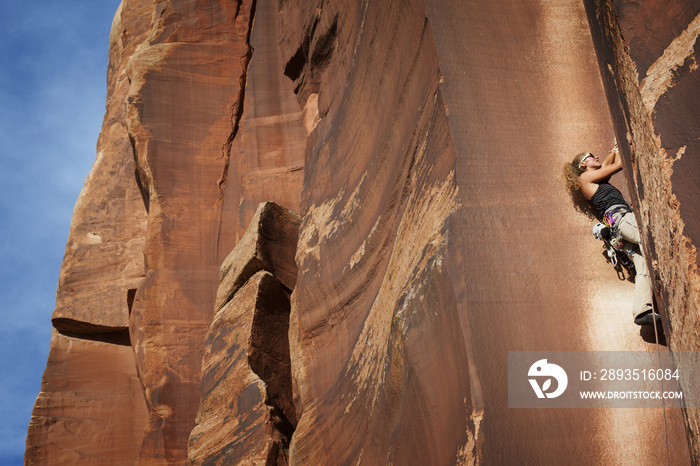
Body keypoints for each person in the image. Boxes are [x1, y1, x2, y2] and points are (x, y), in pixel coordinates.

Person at [563, 147, 659, 326]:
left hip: (618, 229)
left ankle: (642, 310)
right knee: (649, 238)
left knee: (643, 264)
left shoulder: (595, 179)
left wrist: (614, 149)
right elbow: (618, 165)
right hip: (622, 219)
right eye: (591, 156)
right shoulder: (585, 178)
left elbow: (607, 163)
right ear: (583, 164)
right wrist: (622, 146)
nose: (596, 156)